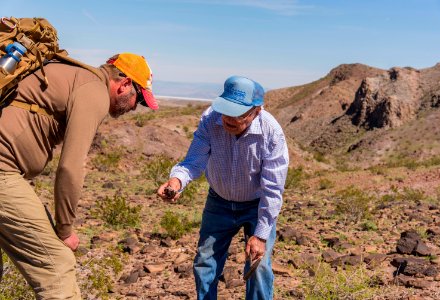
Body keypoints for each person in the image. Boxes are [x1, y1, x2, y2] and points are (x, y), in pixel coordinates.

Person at [0, 53, 158, 299]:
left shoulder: (74, 76)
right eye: (139, 99)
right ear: (125, 84)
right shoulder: (93, 90)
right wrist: (64, 231)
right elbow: (70, 167)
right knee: (57, 265)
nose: (136, 107)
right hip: (2, 171)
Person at [157, 75, 289, 300]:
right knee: (205, 262)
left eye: (237, 113)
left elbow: (272, 189)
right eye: (226, 109)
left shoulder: (271, 132)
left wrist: (261, 235)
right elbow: (194, 161)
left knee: (259, 265)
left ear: (256, 111)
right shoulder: (210, 119)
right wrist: (177, 181)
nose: (228, 118)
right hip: (219, 202)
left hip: (257, 206)